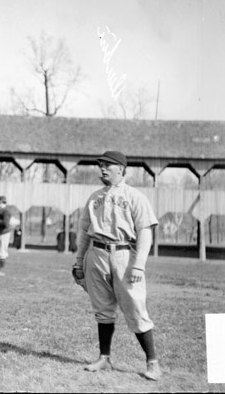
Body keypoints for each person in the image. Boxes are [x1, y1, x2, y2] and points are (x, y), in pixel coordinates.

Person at [71, 150, 162, 381]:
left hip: (124, 254)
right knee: (102, 308)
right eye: (100, 165)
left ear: (121, 169)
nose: (102, 169)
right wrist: (79, 262)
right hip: (97, 253)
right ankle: (104, 357)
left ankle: (153, 363)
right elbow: (83, 232)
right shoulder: (94, 197)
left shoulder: (135, 196)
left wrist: (139, 265)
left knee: (135, 306)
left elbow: (145, 232)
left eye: (108, 165)